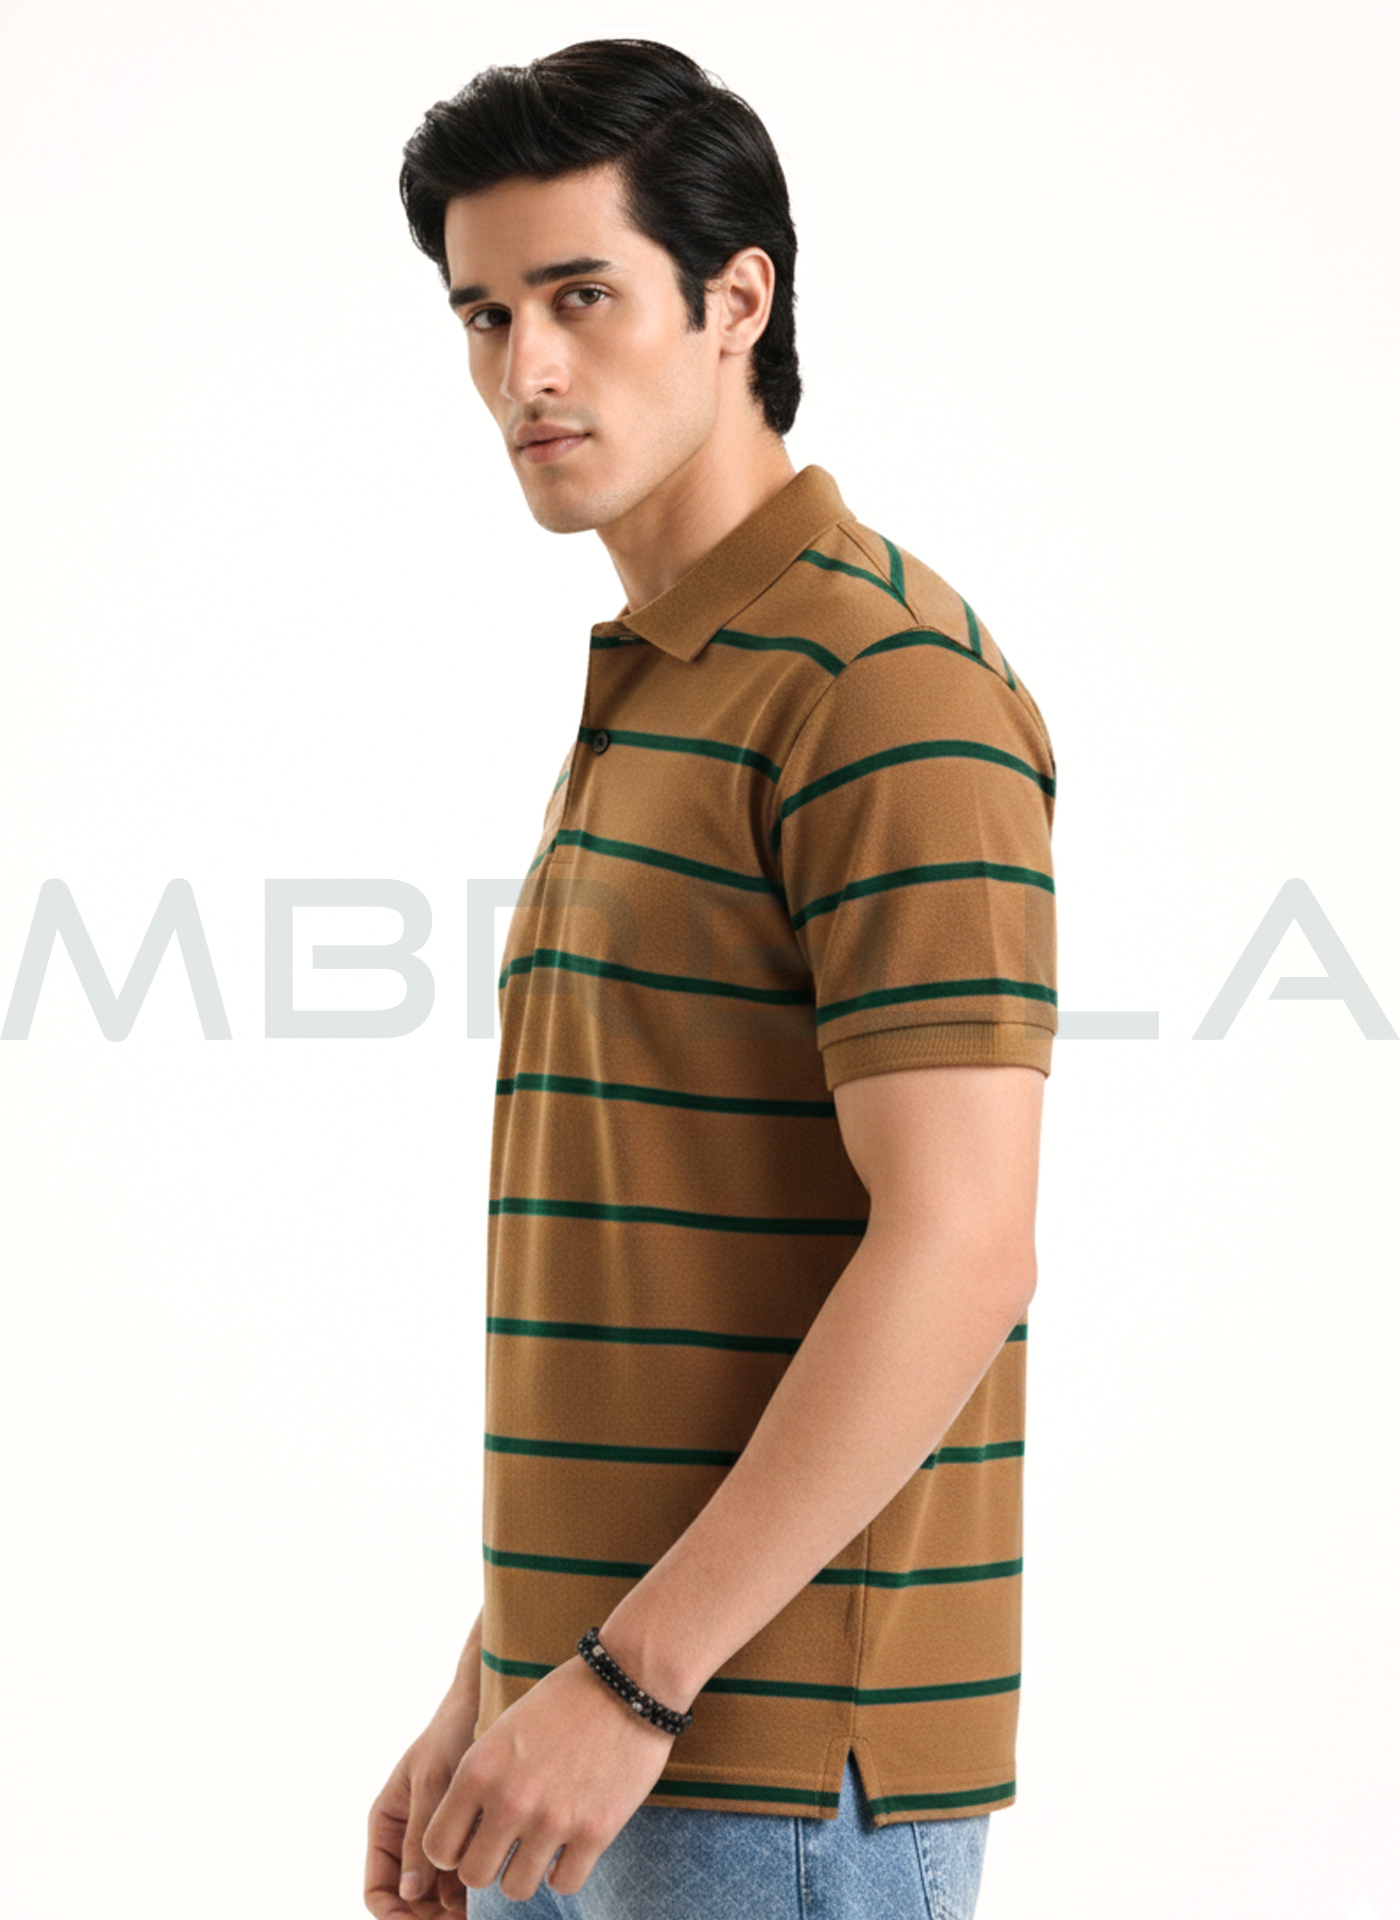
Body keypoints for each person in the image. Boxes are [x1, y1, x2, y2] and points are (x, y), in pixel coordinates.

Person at [366, 37, 1058, 1920]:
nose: (526, 368)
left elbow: (963, 1245)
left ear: (737, 299)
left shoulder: (880, 685)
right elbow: (663, 1254)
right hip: (588, 1736)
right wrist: (498, 1674)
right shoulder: (677, 683)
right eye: (485, 314)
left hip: (757, 1766)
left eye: (580, 295)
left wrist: (626, 1683)